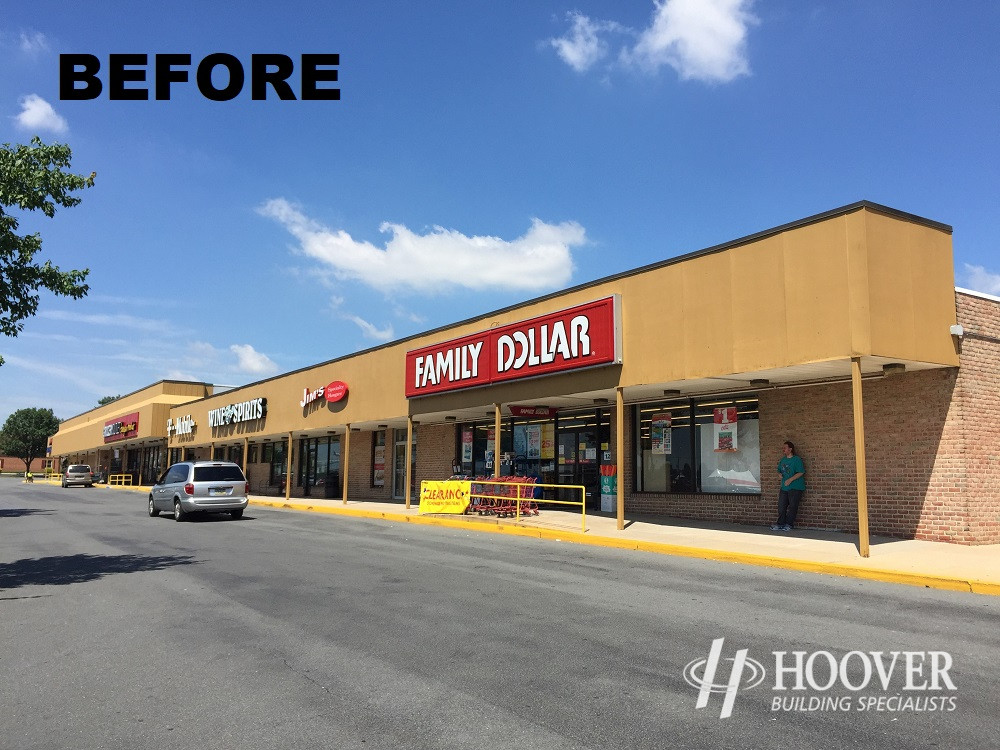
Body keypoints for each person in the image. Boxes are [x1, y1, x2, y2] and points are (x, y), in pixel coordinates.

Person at [771, 441, 805, 531]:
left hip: (795, 487)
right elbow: (779, 470)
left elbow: (801, 472)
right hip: (784, 487)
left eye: (785, 448)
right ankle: (780, 523)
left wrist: (790, 480)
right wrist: (779, 474)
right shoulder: (783, 460)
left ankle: (789, 524)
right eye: (783, 448)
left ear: (790, 449)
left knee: (793, 507)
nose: (783, 449)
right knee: (781, 506)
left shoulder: (796, 459)